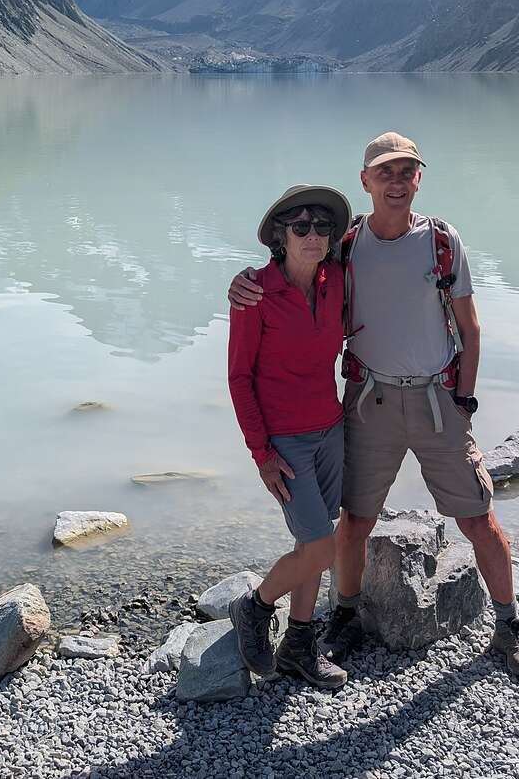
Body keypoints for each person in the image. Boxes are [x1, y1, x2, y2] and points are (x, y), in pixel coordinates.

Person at [228, 133, 519, 679]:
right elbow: (284, 286)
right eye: (385, 173)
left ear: (419, 179)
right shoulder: (347, 246)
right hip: (367, 399)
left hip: (436, 399)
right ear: (366, 182)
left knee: (478, 516)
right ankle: (346, 614)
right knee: (354, 520)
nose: (397, 182)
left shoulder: (442, 242)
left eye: (407, 172)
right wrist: (243, 284)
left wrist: (464, 400)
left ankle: (509, 622)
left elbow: (470, 327)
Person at [226, 184, 354, 689]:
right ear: (280, 236)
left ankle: (300, 644)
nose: (312, 234)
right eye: (299, 226)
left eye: (322, 227)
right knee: (321, 547)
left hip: (332, 428)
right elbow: (239, 378)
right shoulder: (254, 293)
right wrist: (261, 453)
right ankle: (254, 607)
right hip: (287, 441)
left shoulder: (337, 278)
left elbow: (376, 228)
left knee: (314, 538)